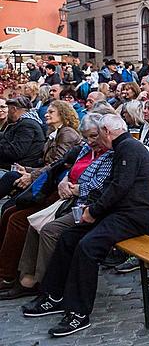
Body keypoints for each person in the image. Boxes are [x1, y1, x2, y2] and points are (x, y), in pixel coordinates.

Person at [23, 114, 149, 337]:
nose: (97, 140)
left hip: (132, 217)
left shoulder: (129, 148)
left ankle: (78, 313)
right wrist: (92, 208)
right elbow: (112, 187)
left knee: (87, 247)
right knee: (68, 237)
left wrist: (93, 211)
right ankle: (53, 295)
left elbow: (119, 187)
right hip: (117, 212)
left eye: (98, 134)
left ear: (106, 131)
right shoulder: (123, 147)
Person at [6, 115, 115, 301]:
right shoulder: (85, 150)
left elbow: (100, 185)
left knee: (48, 230)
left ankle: (48, 285)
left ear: (105, 133)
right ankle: (26, 279)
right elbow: (70, 171)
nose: (90, 141)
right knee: (31, 222)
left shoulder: (110, 154)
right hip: (68, 199)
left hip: (88, 204)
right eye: (87, 137)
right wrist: (65, 181)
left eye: (94, 136)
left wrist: (75, 188)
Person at [0, 96, 46, 168]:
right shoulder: (25, 122)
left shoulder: (27, 125)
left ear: (14, 109)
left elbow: (15, 152)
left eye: (8, 110)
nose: (8, 114)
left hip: (19, 168)